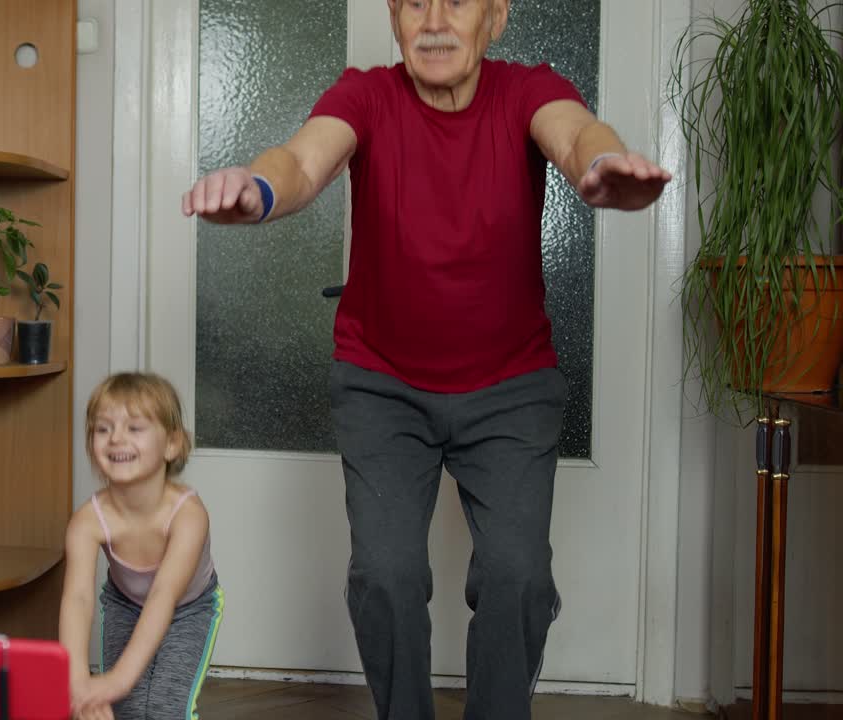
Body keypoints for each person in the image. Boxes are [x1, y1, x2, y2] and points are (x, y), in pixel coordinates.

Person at [181, 1, 671, 718]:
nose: (435, 20)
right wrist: (257, 189)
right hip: (383, 386)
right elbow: (301, 160)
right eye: (415, 2)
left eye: (457, 1)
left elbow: (574, 132)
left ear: (496, 17)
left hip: (512, 387)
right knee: (386, 574)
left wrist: (599, 163)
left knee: (519, 575)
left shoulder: (526, 88)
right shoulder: (368, 95)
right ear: (395, 18)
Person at [59, 372, 224, 720]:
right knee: (128, 708)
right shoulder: (88, 521)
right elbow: (78, 599)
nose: (116, 438)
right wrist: (76, 682)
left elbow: (164, 595)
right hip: (125, 604)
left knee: (166, 708)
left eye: (134, 428)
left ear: (172, 444)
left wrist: (118, 679)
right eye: (102, 429)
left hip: (190, 609)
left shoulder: (189, 516)